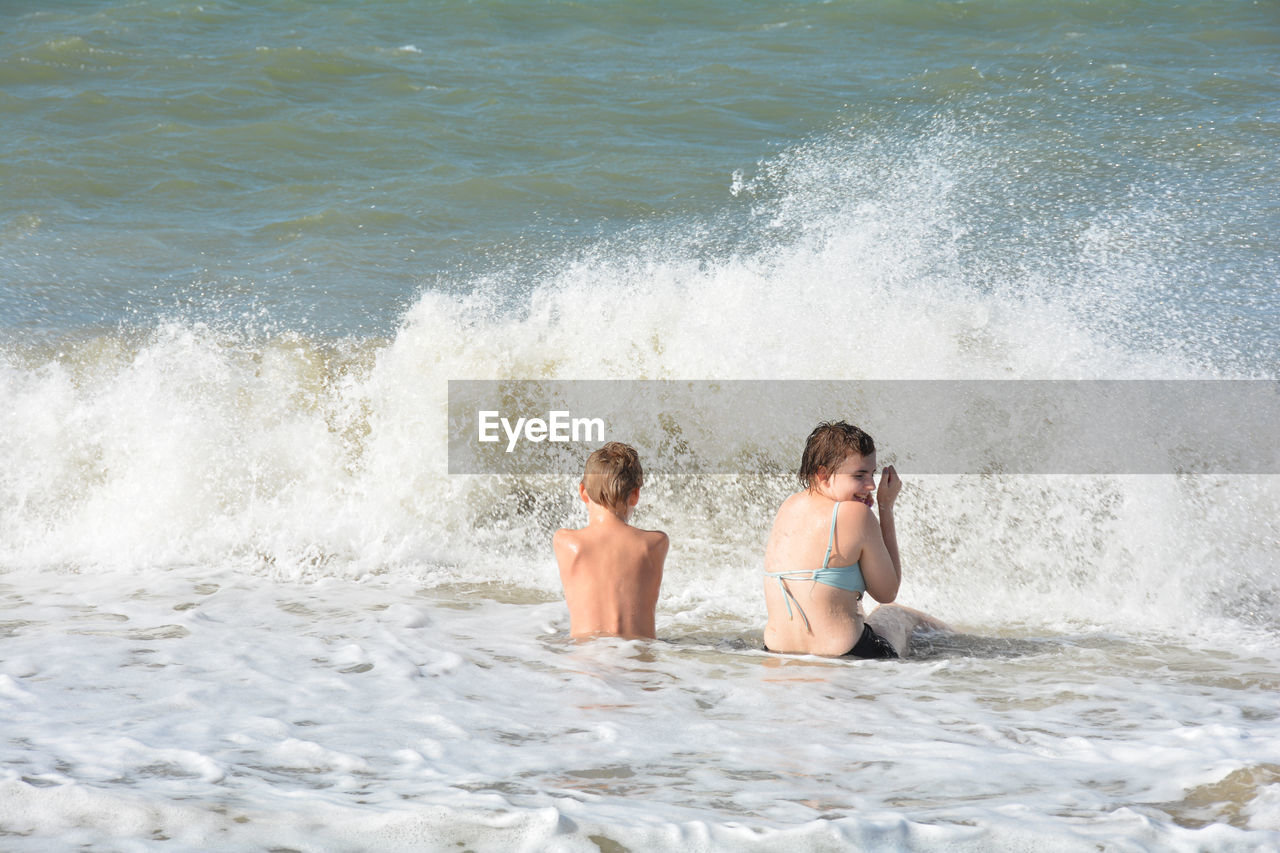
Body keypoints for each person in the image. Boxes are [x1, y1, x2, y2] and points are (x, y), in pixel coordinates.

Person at [763, 421, 948, 658]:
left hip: (778, 657)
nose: (871, 485)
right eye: (859, 475)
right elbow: (887, 592)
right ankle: (964, 641)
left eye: (872, 473)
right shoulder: (855, 514)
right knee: (895, 613)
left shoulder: (788, 507)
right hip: (851, 655)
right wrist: (885, 507)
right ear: (823, 475)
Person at [554, 442, 669, 640]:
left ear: (583, 492)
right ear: (635, 496)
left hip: (585, 661)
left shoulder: (566, 542)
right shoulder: (654, 543)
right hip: (635, 660)